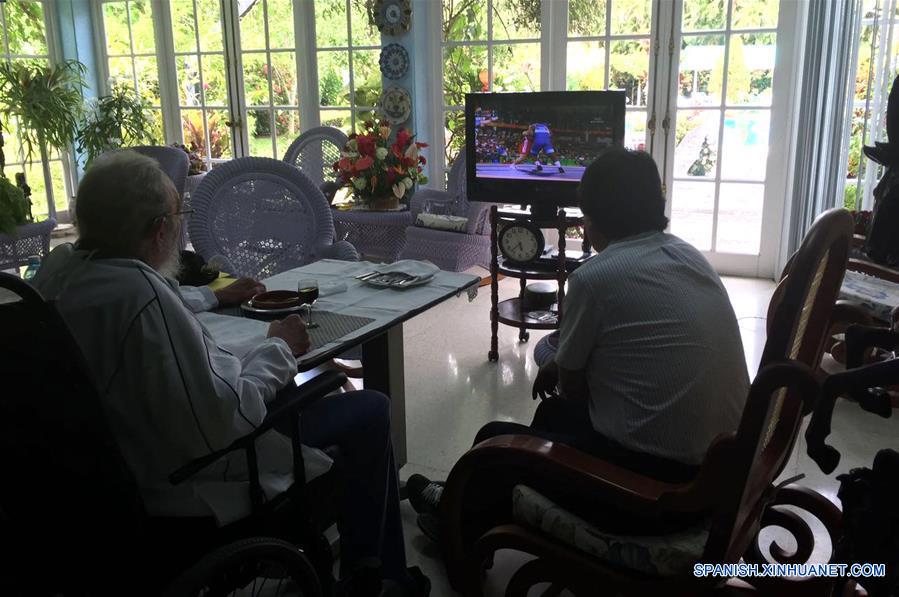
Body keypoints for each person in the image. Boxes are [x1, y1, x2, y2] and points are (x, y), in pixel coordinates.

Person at [32, 150, 428, 596]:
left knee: (311, 395)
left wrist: (212, 296)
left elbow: (154, 302)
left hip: (102, 481)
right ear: (161, 229)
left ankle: (383, 570)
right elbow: (228, 416)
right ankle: (377, 580)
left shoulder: (60, 274)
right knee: (369, 409)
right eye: (177, 218)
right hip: (188, 479)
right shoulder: (141, 295)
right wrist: (278, 346)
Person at [408, 148, 749, 538]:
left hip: (655, 493)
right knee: (551, 415)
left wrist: (563, 366)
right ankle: (479, 503)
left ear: (594, 222)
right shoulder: (691, 257)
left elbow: (573, 390)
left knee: (494, 440)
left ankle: (454, 519)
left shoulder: (594, 279)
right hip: (720, 475)